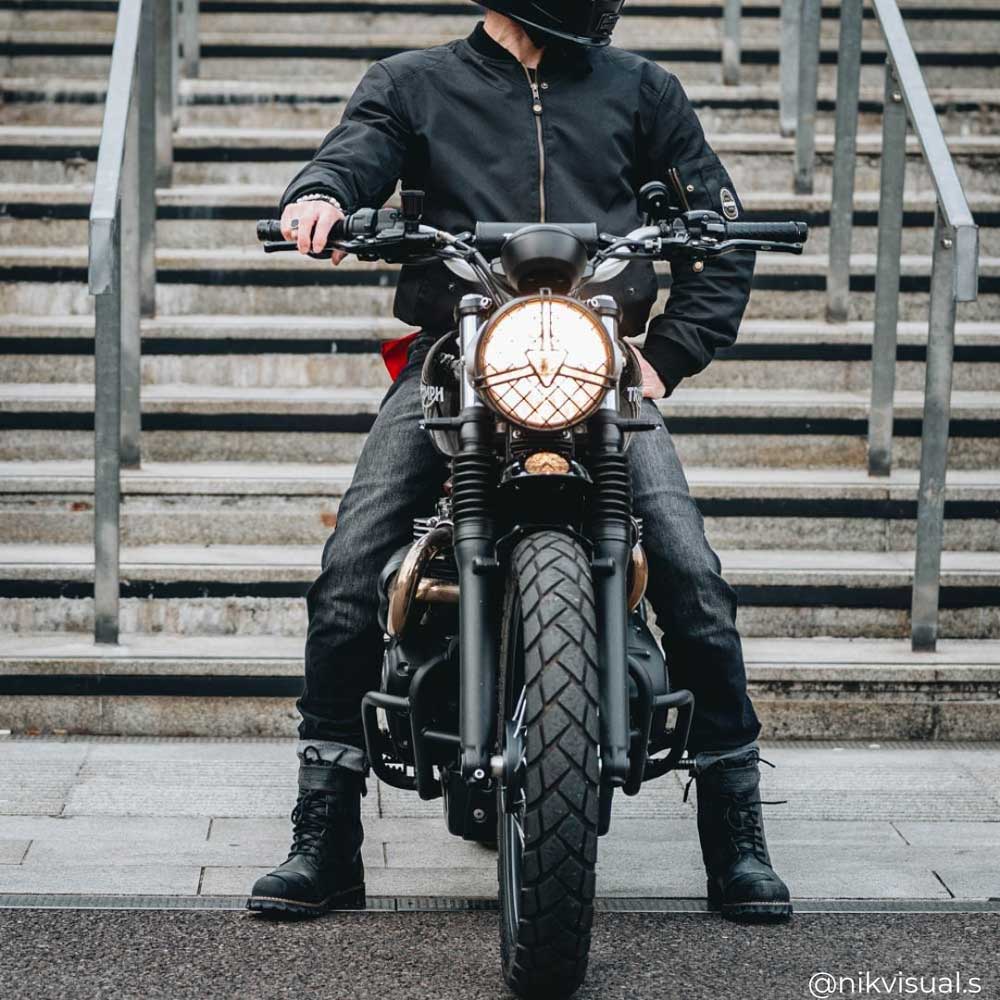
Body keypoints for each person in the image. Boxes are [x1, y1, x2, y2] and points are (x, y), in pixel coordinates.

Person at [248, 0, 792, 923]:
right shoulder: (412, 85)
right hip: (456, 357)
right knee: (349, 570)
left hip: (603, 365)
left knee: (694, 575)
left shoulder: (643, 89)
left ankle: (736, 834)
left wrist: (666, 357)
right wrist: (323, 196)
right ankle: (327, 832)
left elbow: (716, 226)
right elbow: (356, 152)